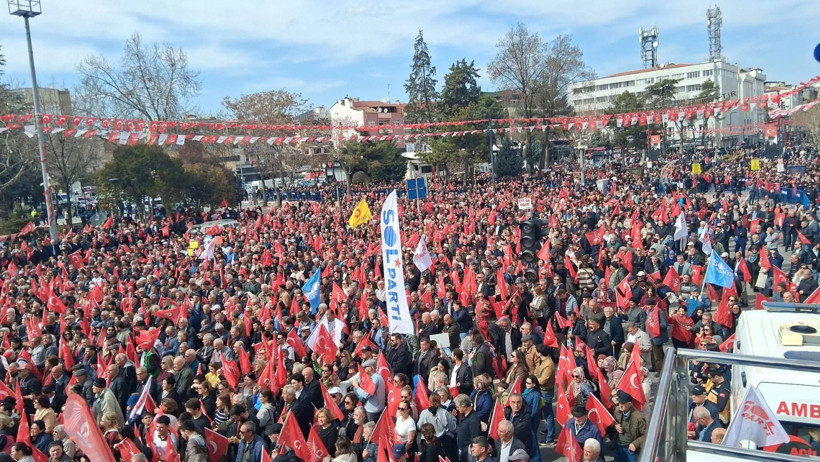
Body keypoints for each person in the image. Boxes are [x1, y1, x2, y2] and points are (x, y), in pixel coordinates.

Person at [612, 391, 647, 462]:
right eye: (619, 403)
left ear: (629, 404)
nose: (620, 405)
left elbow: (646, 434)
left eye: (623, 404)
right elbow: (612, 422)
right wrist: (615, 426)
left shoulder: (638, 418)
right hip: (618, 446)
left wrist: (635, 444)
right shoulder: (617, 411)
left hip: (630, 449)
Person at [454, 394, 482, 462]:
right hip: (461, 449)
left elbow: (475, 437)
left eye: (458, 407)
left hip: (468, 452)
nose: (457, 409)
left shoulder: (473, 420)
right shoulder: (463, 415)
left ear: (464, 406)